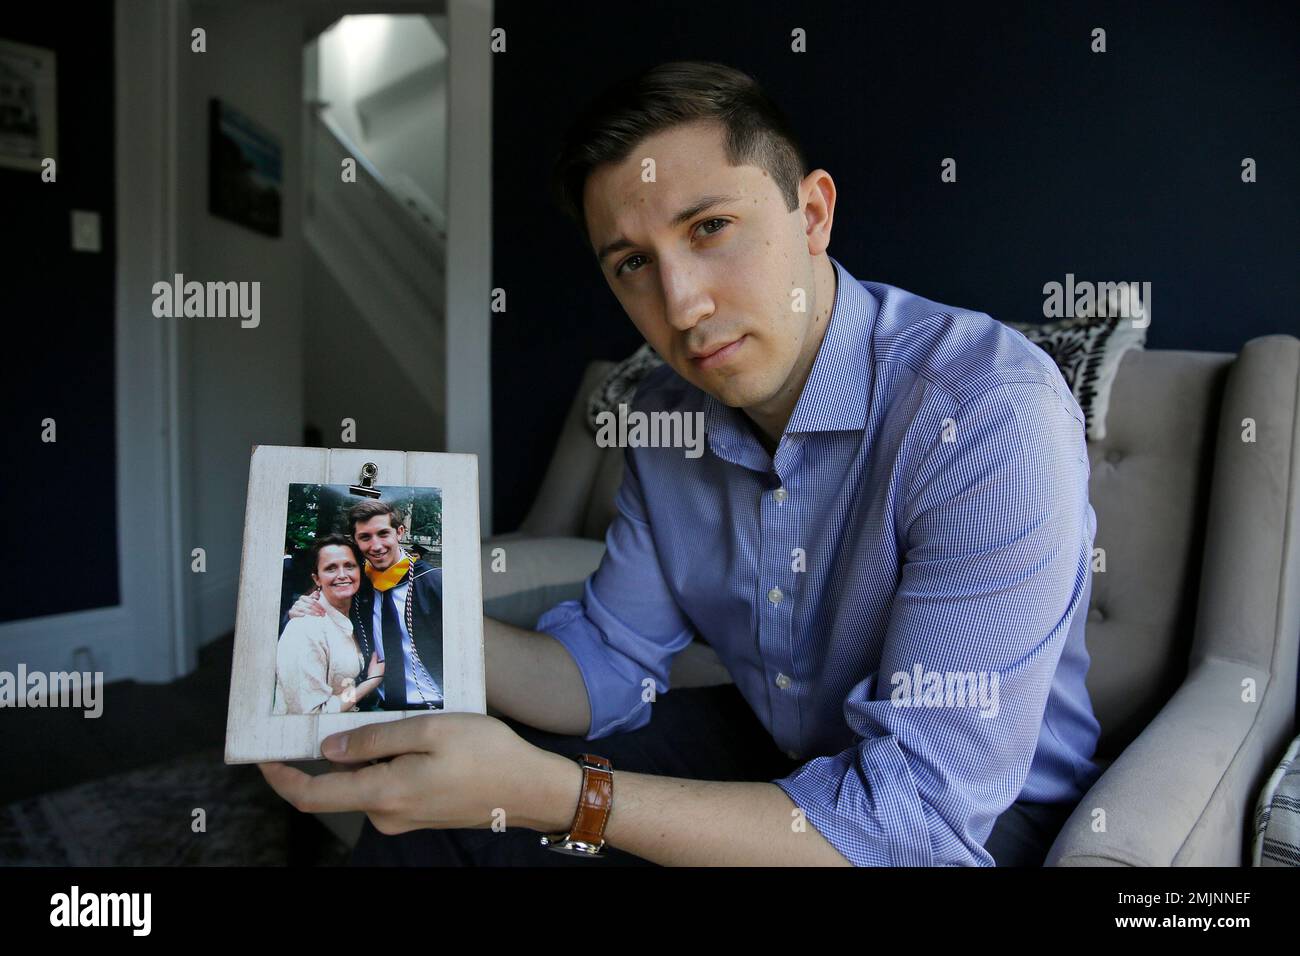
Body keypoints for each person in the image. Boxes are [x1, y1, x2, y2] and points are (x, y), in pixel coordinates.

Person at [262, 60, 1103, 866]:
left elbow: (912, 826)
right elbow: (608, 662)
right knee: (437, 825)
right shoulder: (667, 416)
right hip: (781, 746)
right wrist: (403, 619)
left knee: (539, 791)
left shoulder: (985, 412)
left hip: (987, 819)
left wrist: (561, 796)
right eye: (633, 263)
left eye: (710, 228)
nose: (682, 306)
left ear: (812, 214)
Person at [287, 500, 445, 711]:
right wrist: (295, 611)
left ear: (399, 532)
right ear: (355, 540)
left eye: (383, 534)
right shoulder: (356, 584)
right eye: (365, 537)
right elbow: (316, 609)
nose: (376, 546)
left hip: (434, 702)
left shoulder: (434, 582)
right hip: (376, 704)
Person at [273, 534, 384, 714]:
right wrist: (370, 683)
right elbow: (313, 713)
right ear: (317, 578)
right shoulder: (305, 629)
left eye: (349, 566)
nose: (342, 575)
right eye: (331, 568)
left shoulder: (358, 614)